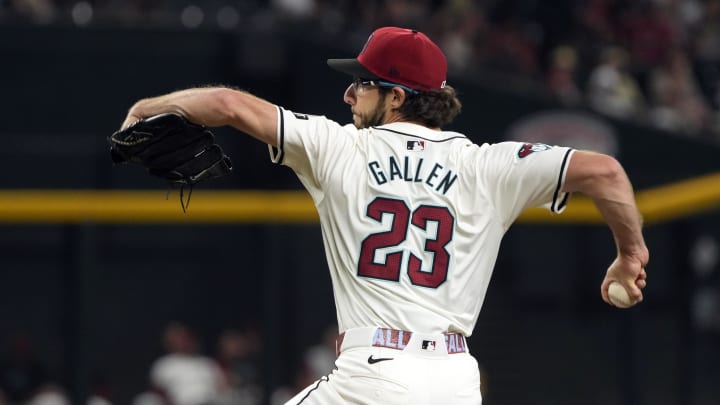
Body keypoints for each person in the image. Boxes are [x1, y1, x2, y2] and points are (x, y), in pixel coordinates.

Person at [118, 26, 649, 404]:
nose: (349, 92)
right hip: (455, 383)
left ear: (397, 96)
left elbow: (230, 105)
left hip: (373, 377)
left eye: (363, 83)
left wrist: (147, 108)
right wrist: (630, 254)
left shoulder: (339, 147)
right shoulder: (488, 165)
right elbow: (604, 173)